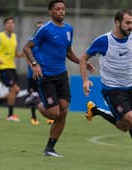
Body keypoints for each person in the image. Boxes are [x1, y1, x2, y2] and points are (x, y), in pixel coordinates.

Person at [79, 9, 132, 168]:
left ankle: (95, 110)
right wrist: (85, 80)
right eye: (127, 23)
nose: (131, 26)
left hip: (129, 88)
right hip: (112, 89)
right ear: (117, 23)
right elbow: (83, 58)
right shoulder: (104, 41)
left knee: (123, 126)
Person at [23, 0, 94, 157]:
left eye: (63, 9)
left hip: (62, 76)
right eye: (57, 9)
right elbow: (26, 47)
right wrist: (35, 64)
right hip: (46, 76)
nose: (61, 11)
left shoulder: (69, 29)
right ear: (50, 12)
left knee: (64, 111)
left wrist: (83, 62)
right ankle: (36, 101)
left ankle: (49, 148)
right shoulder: (44, 29)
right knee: (54, 113)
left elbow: (68, 52)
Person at [0, 16, 24, 122]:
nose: (10, 25)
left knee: (16, 91)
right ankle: (10, 115)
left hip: (12, 67)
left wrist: (23, 54)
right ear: (5, 25)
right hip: (3, 67)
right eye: (8, 23)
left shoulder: (14, 37)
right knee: (14, 89)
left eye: (12, 23)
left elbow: (14, 53)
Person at [25, 21, 54, 125]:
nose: (40, 29)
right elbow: (27, 56)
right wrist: (33, 68)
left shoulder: (47, 43)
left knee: (46, 96)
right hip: (33, 74)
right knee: (34, 95)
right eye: (38, 27)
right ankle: (33, 117)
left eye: (42, 27)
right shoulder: (32, 42)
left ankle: (49, 116)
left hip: (45, 74)